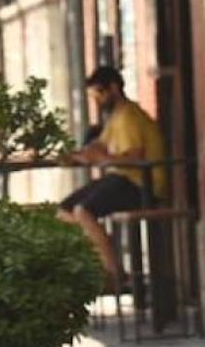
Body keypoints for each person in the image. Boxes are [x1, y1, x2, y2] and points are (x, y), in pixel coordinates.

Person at [58, 65, 166, 286]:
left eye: (99, 93)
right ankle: (99, 262)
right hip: (122, 178)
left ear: (114, 88)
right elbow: (98, 147)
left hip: (141, 183)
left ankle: (114, 272)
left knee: (83, 210)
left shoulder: (129, 115)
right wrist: (75, 156)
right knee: (65, 210)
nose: (97, 100)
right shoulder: (115, 117)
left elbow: (135, 155)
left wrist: (104, 159)